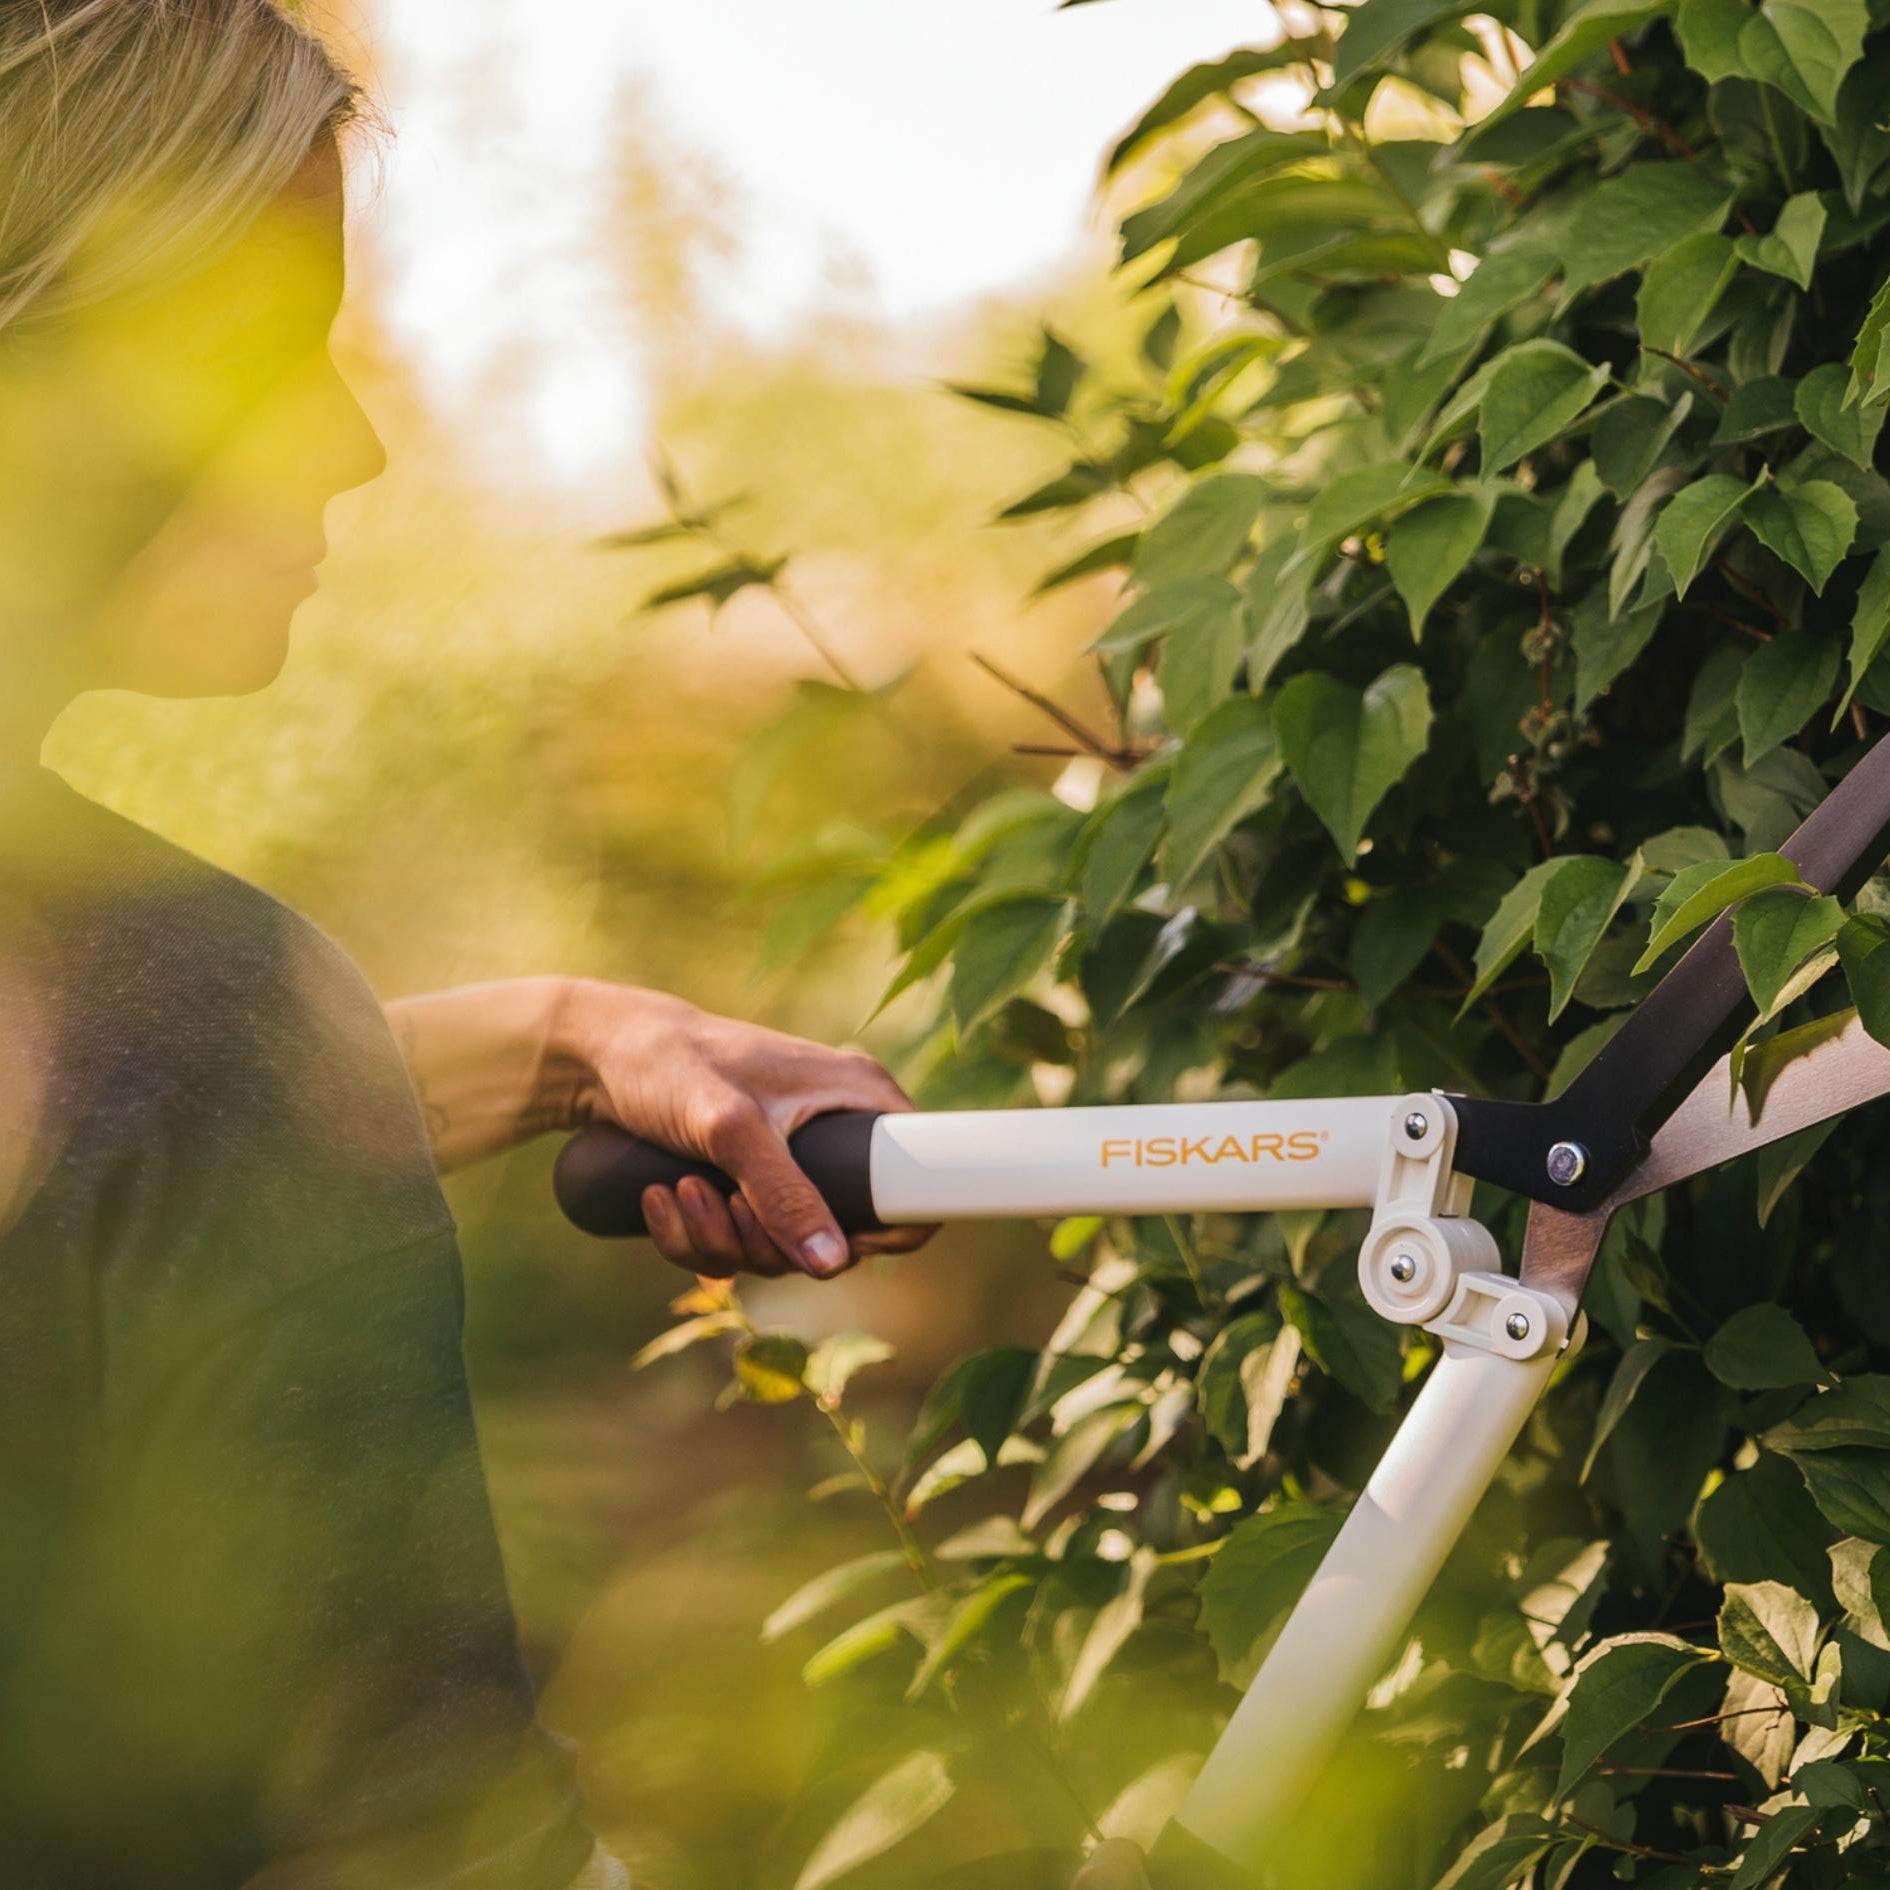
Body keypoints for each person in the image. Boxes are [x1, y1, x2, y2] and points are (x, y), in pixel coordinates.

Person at [0, 4, 936, 1886]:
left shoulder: (175, 1040)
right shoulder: (198, 1015)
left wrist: (555, 1033)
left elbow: (87, 1189)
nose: (346, 444)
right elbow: (422, 1843)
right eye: (265, 358)